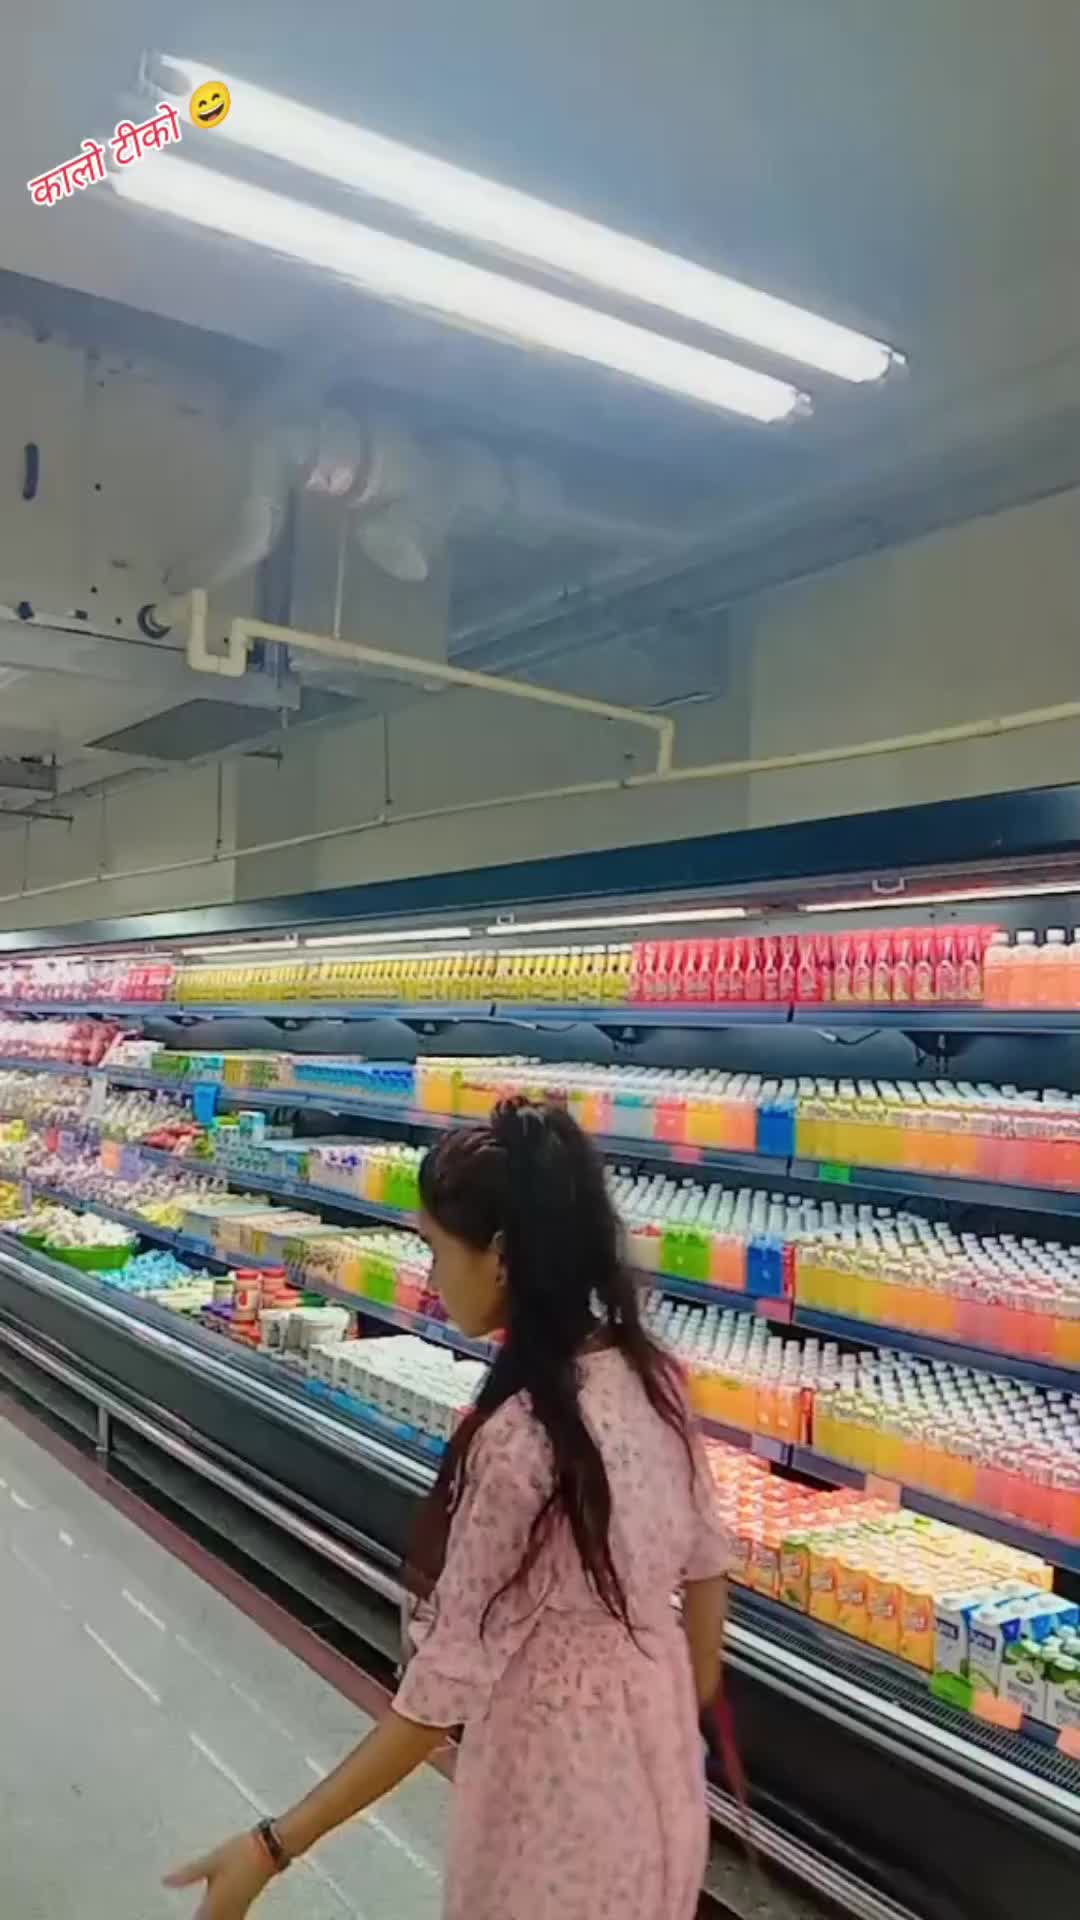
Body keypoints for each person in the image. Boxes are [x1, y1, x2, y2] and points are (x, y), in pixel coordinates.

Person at [165, 1098, 729, 1919]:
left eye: (434, 1248)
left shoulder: (522, 1442)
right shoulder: (654, 1379)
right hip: (662, 1786)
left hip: (554, 1806)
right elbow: (707, 1571)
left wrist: (271, 1846)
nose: (430, 1279)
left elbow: (437, 1694)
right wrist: (666, 1713)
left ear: (499, 1255)